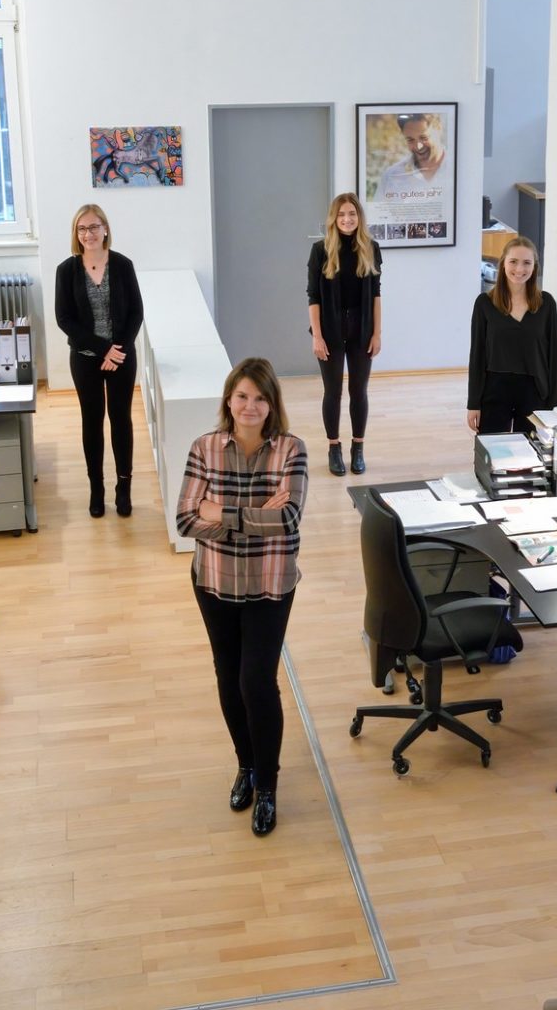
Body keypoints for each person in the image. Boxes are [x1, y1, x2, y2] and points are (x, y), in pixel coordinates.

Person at [174, 358, 308, 838]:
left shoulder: (291, 450)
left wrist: (219, 512)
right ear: (229, 400)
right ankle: (246, 766)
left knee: (257, 683)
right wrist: (252, 515)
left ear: (272, 405)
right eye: (242, 396)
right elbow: (186, 520)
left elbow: (288, 518)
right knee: (229, 679)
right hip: (215, 582)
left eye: (260, 398)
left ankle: (267, 786)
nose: (250, 406)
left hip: (270, 584)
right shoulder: (204, 448)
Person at [54, 203, 146, 517]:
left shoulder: (122, 265)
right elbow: (64, 319)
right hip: (85, 359)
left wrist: (117, 350)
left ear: (105, 229)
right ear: (76, 234)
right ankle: (97, 489)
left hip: (121, 357)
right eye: (82, 228)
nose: (88, 233)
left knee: (121, 420)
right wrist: (102, 349)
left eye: (94, 227)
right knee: (91, 422)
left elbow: (136, 312)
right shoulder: (66, 270)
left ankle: (124, 488)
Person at [307, 192, 384, 476]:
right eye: (341, 214)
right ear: (334, 218)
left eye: (352, 214)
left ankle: (358, 448)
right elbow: (313, 297)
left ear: (359, 217)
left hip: (361, 329)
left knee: (358, 391)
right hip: (329, 329)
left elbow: (376, 294)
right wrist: (317, 336)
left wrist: (377, 333)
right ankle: (334, 447)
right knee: (333, 391)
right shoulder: (320, 250)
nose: (347, 219)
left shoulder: (371, 248)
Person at [467, 235, 557, 435]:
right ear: (503, 263)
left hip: (534, 392)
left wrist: (555, 406)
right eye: (513, 262)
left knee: (532, 451)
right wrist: (473, 403)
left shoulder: (546, 304)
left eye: (527, 263)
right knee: (493, 450)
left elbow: (553, 357)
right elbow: (477, 356)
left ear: (534, 266)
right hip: (494, 390)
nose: (519, 269)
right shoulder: (484, 303)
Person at [375, 112, 449, 197]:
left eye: (424, 137)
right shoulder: (391, 177)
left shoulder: (457, 169)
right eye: (410, 140)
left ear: (439, 129)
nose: (418, 146)